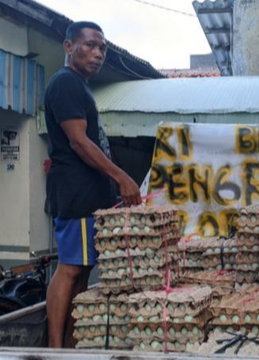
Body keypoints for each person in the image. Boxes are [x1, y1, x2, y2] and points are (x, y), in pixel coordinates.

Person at [44, 21, 142, 348]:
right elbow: (79, 143)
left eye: (102, 48)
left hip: (89, 195)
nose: (98, 53)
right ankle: (55, 348)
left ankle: (70, 346)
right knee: (70, 269)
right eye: (89, 45)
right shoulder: (66, 84)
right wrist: (122, 176)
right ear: (68, 47)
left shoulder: (80, 86)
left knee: (83, 272)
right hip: (76, 192)